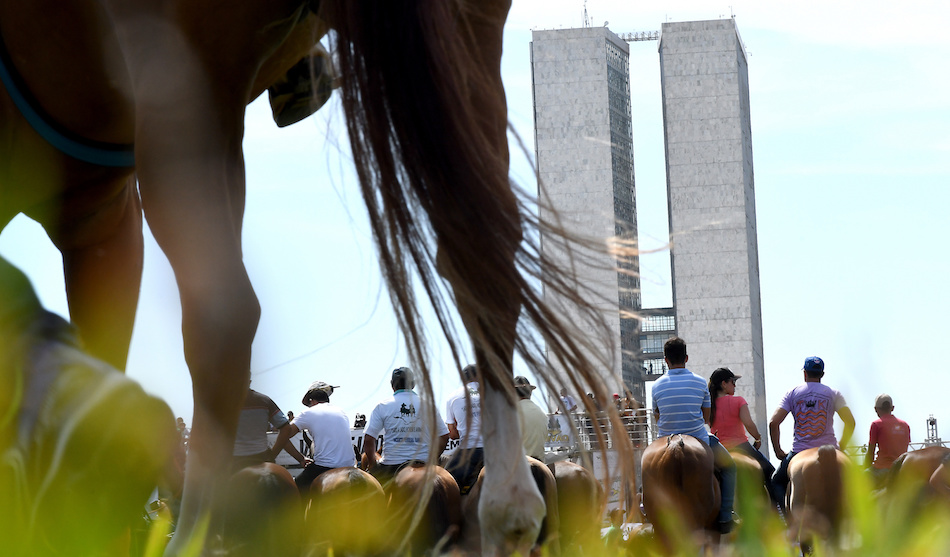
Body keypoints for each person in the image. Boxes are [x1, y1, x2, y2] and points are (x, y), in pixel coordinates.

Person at [651, 337, 737, 533]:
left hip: (665, 441)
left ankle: (648, 511)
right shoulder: (699, 382)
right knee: (730, 467)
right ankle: (725, 516)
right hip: (699, 439)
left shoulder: (656, 386)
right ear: (686, 358)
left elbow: (658, 417)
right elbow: (707, 418)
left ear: (666, 360)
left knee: (647, 468)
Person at [769, 356, 855, 512]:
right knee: (857, 481)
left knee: (777, 482)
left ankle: (788, 523)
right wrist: (841, 446)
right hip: (831, 448)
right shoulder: (834, 393)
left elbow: (773, 423)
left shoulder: (792, 393)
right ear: (822, 374)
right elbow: (851, 422)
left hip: (799, 450)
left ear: (805, 374)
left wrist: (778, 450)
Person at [363, 367, 450, 484]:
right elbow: (444, 436)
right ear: (413, 384)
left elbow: (369, 439)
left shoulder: (382, 406)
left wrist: (373, 466)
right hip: (423, 463)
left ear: (392, 385)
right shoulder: (428, 404)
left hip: (391, 466)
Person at [708, 367, 778, 505]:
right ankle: (779, 513)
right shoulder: (738, 401)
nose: (735, 385)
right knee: (771, 473)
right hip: (741, 446)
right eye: (733, 381)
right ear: (724, 384)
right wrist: (757, 438)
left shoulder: (709, 404)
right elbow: (749, 424)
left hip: (718, 450)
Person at [285, 381, 355, 492]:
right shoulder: (342, 411)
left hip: (324, 467)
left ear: (311, 401)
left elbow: (283, 436)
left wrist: (301, 459)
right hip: (350, 466)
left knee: (294, 490)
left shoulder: (307, 413)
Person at [232, 382, 304, 472]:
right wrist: (272, 455)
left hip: (233, 460)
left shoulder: (221, 402)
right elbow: (286, 428)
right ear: (249, 379)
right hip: (262, 457)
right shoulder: (264, 400)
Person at [445, 364, 484, 494]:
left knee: (445, 485)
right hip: (492, 451)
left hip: (467, 453)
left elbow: (453, 434)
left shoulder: (453, 397)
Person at [864, 393, 910, 488]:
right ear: (892, 408)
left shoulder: (876, 424)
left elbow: (871, 452)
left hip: (882, 469)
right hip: (901, 470)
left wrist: (865, 468)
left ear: (876, 409)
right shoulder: (905, 425)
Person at [514, 376, 547, 461]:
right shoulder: (542, 412)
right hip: (541, 461)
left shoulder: (511, 413)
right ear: (530, 393)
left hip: (519, 463)